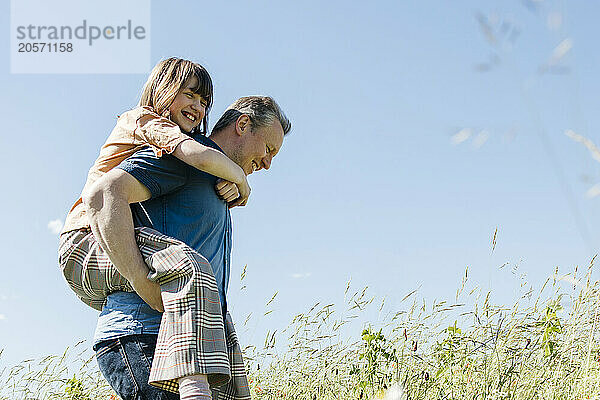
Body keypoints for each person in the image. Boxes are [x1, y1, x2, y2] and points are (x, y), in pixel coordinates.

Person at [80, 96, 291, 399]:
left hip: (190, 347)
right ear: (243, 125)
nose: (268, 163)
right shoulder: (185, 157)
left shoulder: (219, 178)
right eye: (269, 149)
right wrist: (144, 285)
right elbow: (103, 195)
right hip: (145, 334)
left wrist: (238, 180)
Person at [60, 57, 251, 312]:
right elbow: (200, 156)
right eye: (190, 95)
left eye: (204, 102)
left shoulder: (160, 137)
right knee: (186, 272)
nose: (197, 107)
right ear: (163, 90)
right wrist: (240, 178)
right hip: (85, 240)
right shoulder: (143, 120)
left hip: (92, 244)